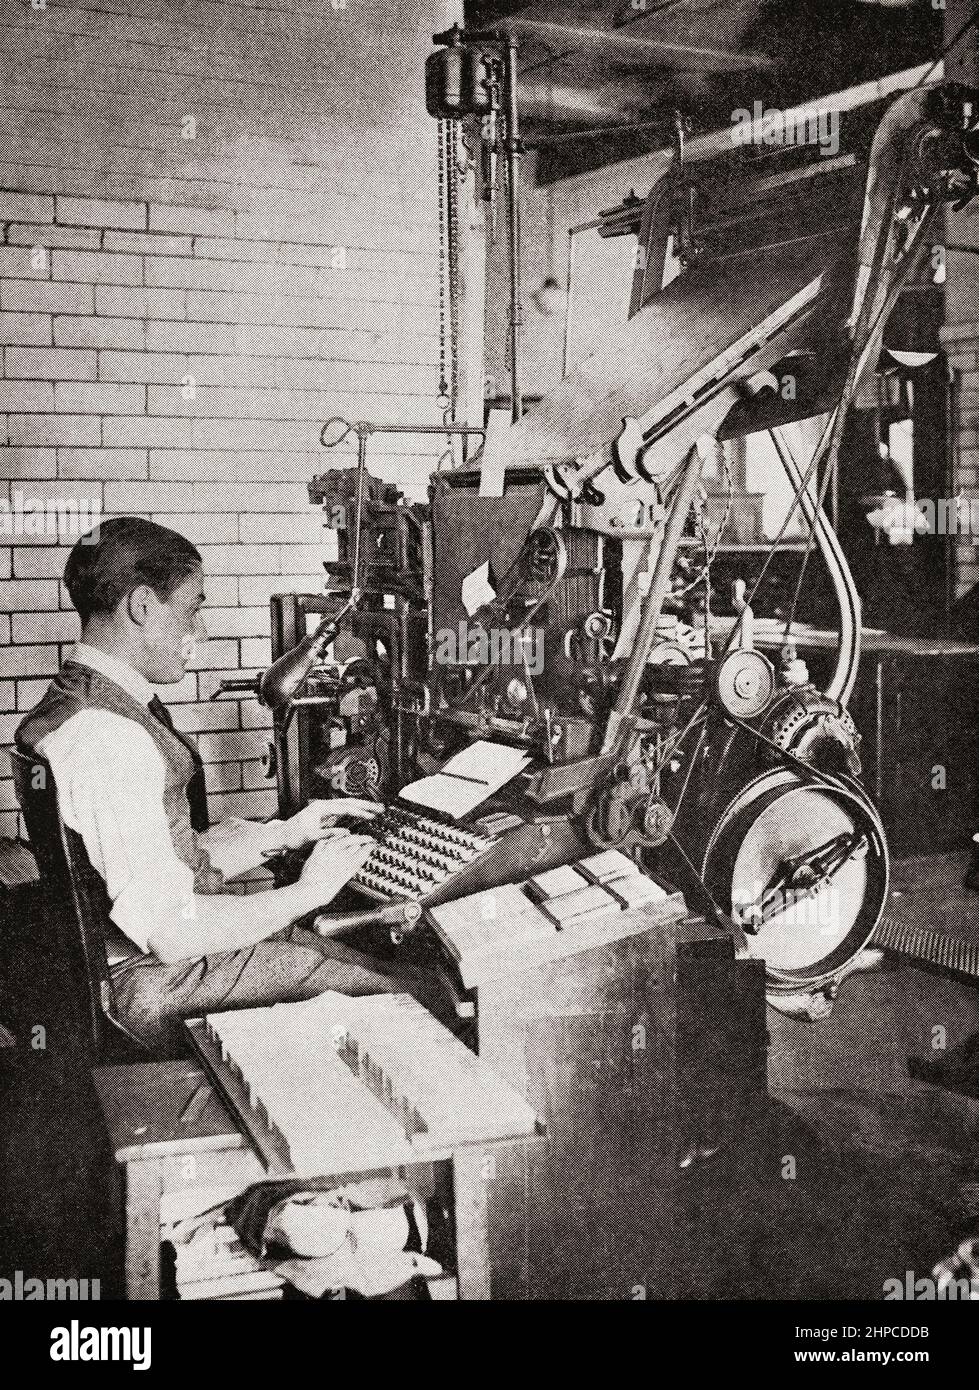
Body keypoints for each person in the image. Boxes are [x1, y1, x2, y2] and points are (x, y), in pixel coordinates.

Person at [15, 517, 442, 1052]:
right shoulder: (106, 739)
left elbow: (158, 862)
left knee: (361, 961)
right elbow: (171, 930)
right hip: (155, 979)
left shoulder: (78, 705)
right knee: (415, 996)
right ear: (143, 607)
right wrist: (310, 889)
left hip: (152, 962)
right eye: (193, 609)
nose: (202, 631)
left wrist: (286, 832)